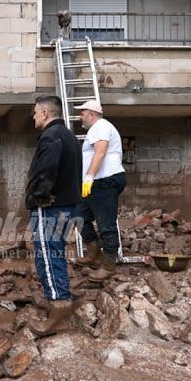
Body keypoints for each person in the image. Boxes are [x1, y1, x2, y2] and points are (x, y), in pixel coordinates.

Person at [25, 95, 82, 335]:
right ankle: (58, 301)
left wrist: (39, 195)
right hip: (65, 206)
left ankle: (59, 312)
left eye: (36, 112)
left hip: (51, 207)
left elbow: (46, 170)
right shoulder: (67, 135)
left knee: (48, 257)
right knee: (54, 254)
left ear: (45, 113)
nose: (34, 116)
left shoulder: (51, 136)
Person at [73, 100, 127, 281]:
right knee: (79, 215)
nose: (80, 116)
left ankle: (109, 266)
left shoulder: (101, 126)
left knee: (106, 224)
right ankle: (93, 253)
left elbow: (100, 152)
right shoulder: (95, 129)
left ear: (92, 115)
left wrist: (89, 176)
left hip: (104, 181)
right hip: (97, 182)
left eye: (82, 113)